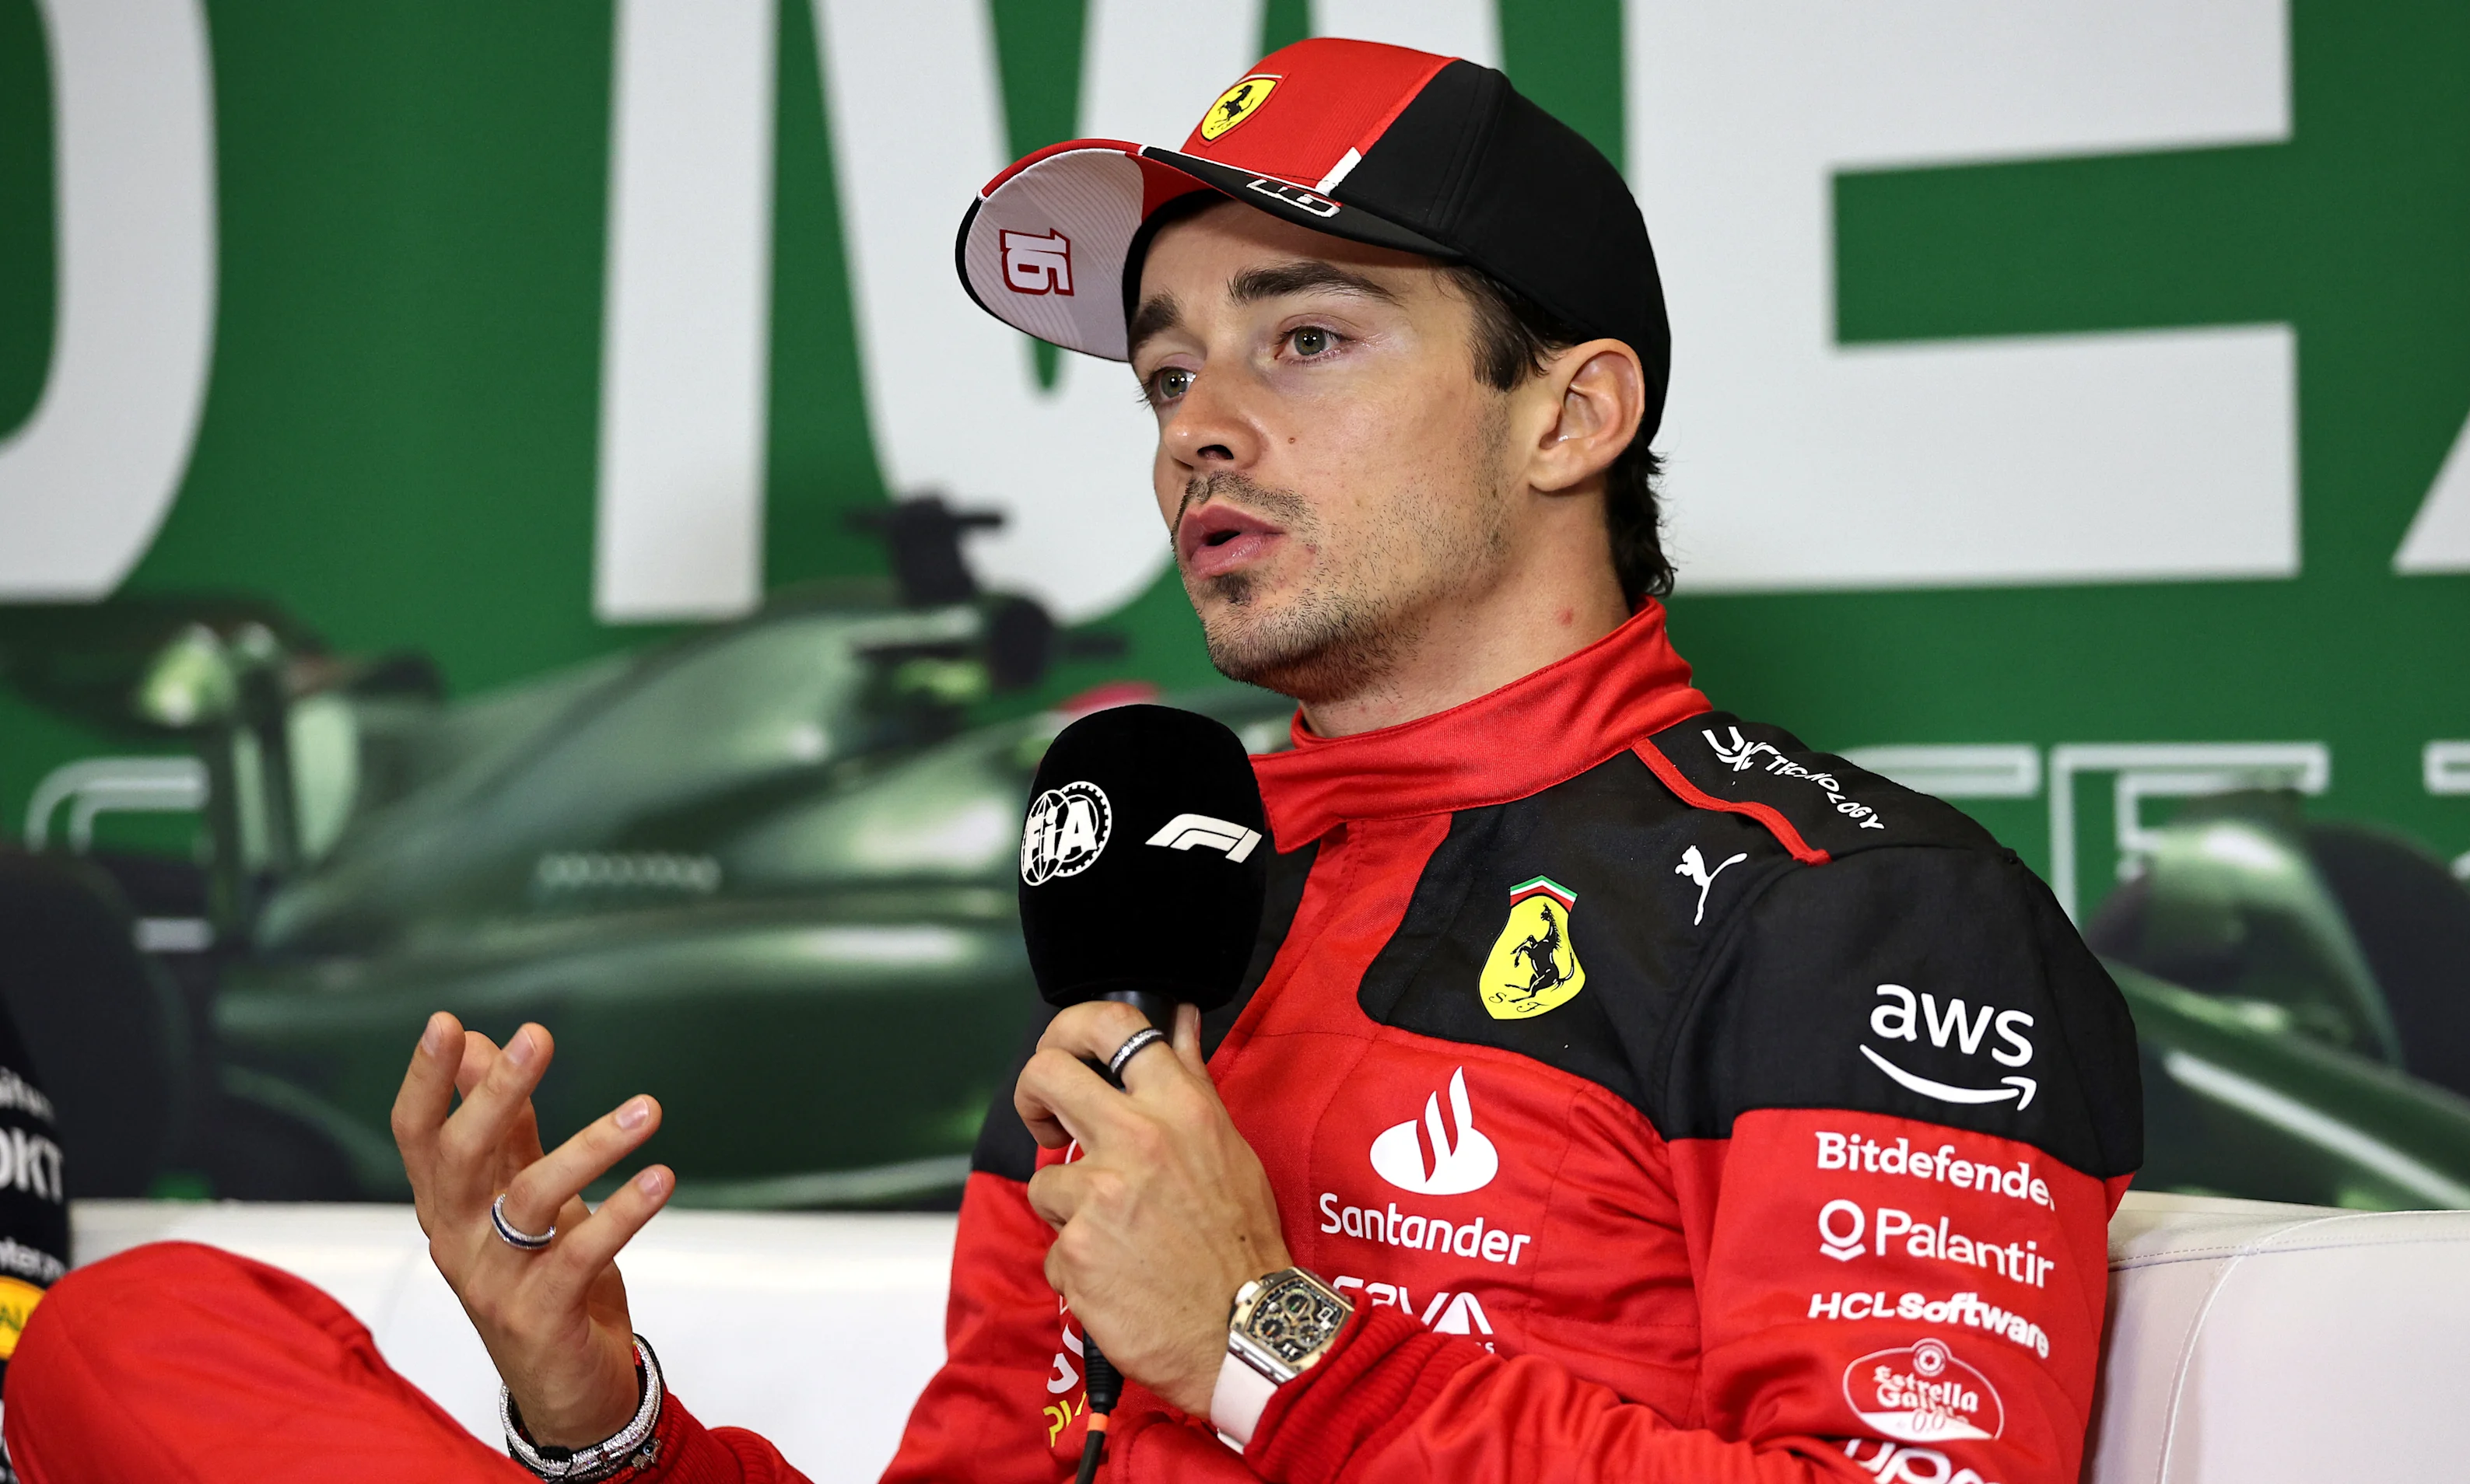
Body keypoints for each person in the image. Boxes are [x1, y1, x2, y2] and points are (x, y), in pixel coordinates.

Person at [2, 37, 2140, 1484]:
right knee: (143, 1337)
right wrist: (604, 1415)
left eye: (1306, 338)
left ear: (1571, 413)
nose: (1201, 420)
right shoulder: (1157, 898)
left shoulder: (1852, 911)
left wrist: (1266, 1337)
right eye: (1166, 367)